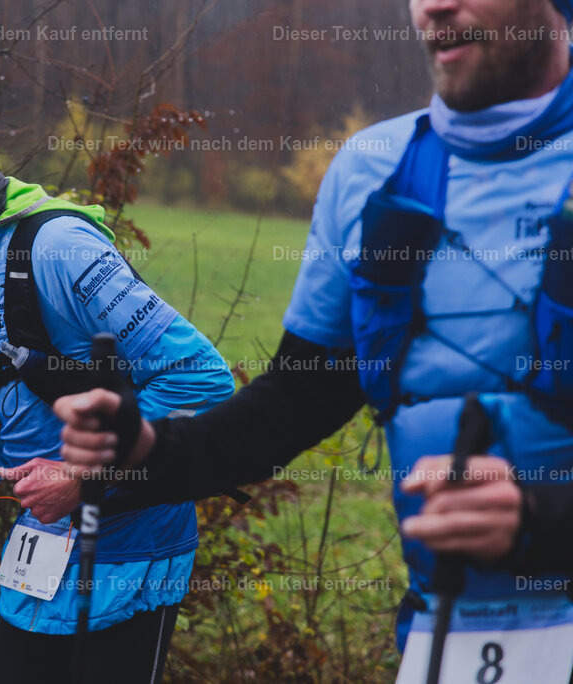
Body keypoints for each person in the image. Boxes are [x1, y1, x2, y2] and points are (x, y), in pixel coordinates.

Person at [55, 0, 573, 679]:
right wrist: (148, 449)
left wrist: (542, 518)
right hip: (444, 637)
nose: (434, 7)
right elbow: (300, 397)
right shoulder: (372, 170)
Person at [0, 76, 235, 683]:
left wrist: (80, 474)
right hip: (41, 556)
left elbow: (201, 378)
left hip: (129, 550)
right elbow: (9, 414)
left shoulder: (59, 246)